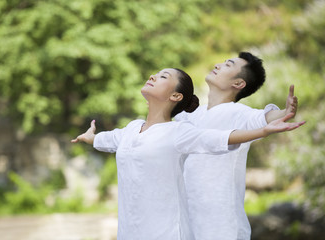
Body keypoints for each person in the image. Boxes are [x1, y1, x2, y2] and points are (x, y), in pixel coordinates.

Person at [72, 68, 304, 240]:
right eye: (155, 74)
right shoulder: (131, 128)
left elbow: (219, 138)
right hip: (130, 232)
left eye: (163, 77)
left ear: (175, 96)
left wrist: (263, 130)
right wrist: (90, 137)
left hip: (168, 233)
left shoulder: (179, 132)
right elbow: (106, 140)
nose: (153, 76)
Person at [174, 52, 299, 240]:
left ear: (239, 83)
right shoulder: (190, 115)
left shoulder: (238, 113)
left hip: (221, 224)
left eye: (228, 65)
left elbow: (263, 118)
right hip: (187, 219)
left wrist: (285, 112)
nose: (218, 64)